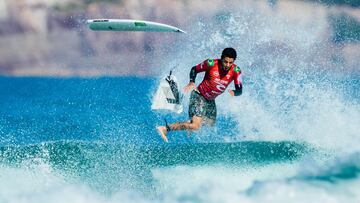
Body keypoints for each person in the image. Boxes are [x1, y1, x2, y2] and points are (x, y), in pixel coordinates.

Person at [157, 47, 243, 142]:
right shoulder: (211, 63)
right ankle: (165, 128)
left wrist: (234, 92)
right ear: (221, 58)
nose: (227, 65)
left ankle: (190, 124)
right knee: (196, 126)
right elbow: (194, 69)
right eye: (225, 61)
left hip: (210, 100)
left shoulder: (236, 71)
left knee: (210, 124)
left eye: (230, 62)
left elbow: (240, 90)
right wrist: (192, 82)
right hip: (199, 96)